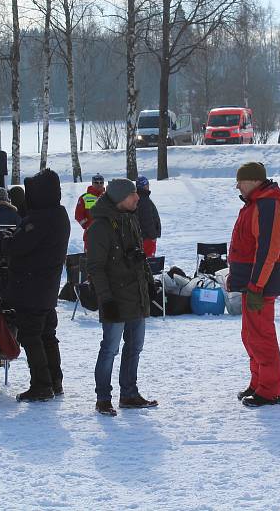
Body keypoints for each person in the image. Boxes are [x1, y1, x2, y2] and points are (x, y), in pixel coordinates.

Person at [87, 178, 157, 416]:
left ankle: (129, 394)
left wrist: (149, 281)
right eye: (132, 195)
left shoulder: (131, 219)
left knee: (134, 347)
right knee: (110, 349)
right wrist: (106, 300)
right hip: (115, 298)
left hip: (136, 294)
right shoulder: (99, 227)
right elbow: (95, 267)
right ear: (119, 198)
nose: (138, 198)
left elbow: (139, 256)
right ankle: (103, 398)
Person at [4, 169, 70, 402]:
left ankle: (41, 384)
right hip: (47, 287)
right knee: (47, 335)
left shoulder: (41, 219)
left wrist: (5, 240)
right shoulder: (58, 215)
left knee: (32, 336)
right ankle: (54, 381)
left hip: (31, 286)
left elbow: (18, 246)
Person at [227, 162, 280, 407]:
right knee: (250, 335)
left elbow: (268, 249)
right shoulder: (255, 204)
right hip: (251, 284)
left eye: (240, 182)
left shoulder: (267, 205)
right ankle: (258, 382)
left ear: (253, 181)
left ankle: (270, 390)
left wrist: (256, 285)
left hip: (259, 286)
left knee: (262, 337)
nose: (238, 187)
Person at [75, 174, 105, 249]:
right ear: (92, 183)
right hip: (90, 235)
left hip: (106, 234)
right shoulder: (85, 197)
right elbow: (78, 215)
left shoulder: (108, 197)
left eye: (101, 182)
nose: (99, 184)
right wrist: (87, 225)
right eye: (96, 182)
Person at [135, 175, 161, 257]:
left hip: (143, 236)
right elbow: (147, 221)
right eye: (147, 185)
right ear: (144, 186)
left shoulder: (139, 197)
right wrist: (153, 236)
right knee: (149, 259)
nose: (148, 186)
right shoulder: (143, 200)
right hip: (147, 237)